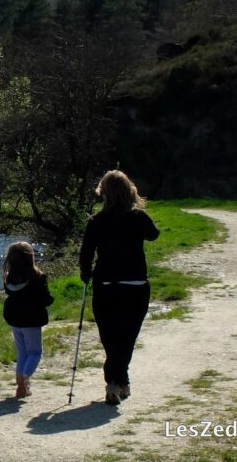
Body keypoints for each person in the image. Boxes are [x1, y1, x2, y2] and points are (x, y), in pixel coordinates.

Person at [80, 169, 160, 405]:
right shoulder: (138, 217)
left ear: (103, 193)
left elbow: (86, 252)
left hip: (106, 285)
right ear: (129, 190)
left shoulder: (96, 221)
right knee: (126, 337)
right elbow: (153, 235)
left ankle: (115, 383)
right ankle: (119, 382)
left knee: (110, 337)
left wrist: (86, 274)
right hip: (135, 285)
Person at [2, 241, 54, 399]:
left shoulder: (9, 279)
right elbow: (46, 299)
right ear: (30, 258)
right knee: (35, 352)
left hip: (15, 320)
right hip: (31, 320)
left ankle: (21, 386)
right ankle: (25, 378)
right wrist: (50, 299)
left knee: (22, 352)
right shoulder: (38, 278)